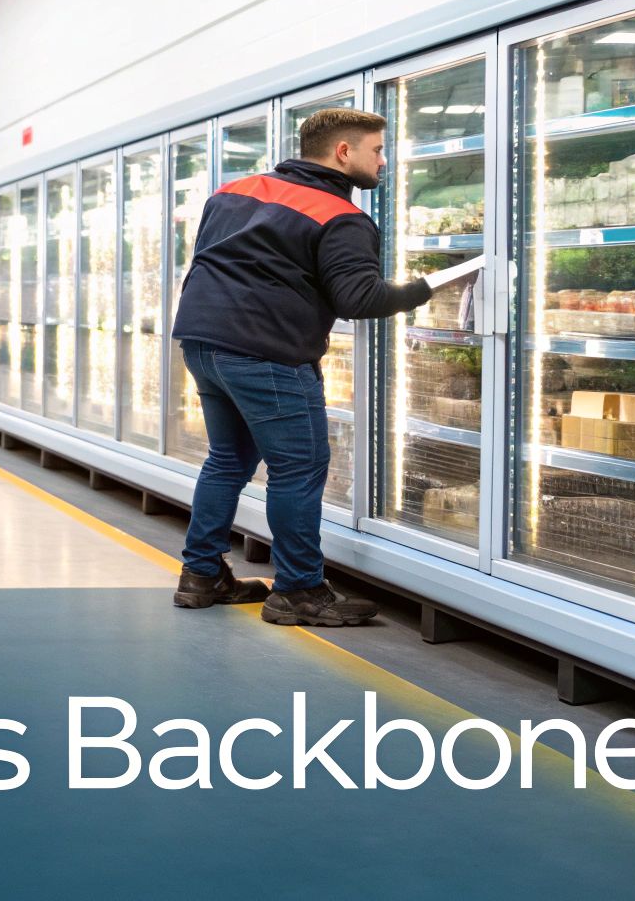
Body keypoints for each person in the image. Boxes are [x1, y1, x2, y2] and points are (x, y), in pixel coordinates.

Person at [169, 107, 440, 626]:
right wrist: (427, 289)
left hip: (202, 341)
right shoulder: (342, 216)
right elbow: (358, 297)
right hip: (265, 353)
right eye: (377, 150)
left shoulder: (234, 190)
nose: (384, 161)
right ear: (344, 152)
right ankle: (298, 590)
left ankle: (201, 575)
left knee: (227, 460)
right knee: (298, 467)